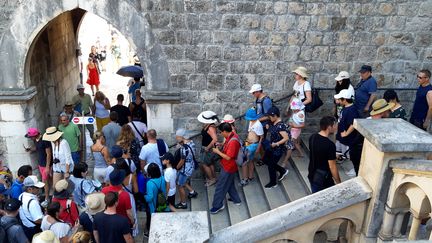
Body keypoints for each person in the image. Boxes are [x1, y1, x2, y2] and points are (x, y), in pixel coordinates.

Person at [210, 123, 241, 214]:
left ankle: (217, 205)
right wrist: (221, 145)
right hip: (229, 166)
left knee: (220, 187)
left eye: (220, 132)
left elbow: (228, 157)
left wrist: (217, 151)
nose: (220, 134)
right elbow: (227, 145)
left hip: (228, 167)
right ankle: (236, 200)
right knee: (230, 184)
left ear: (224, 131)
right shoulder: (232, 135)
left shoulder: (233, 142)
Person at [308, 116, 341, 193]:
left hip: (312, 173)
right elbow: (332, 166)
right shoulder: (330, 145)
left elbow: (317, 152)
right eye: (335, 125)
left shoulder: (312, 137)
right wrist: (339, 183)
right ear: (329, 127)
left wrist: (333, 155)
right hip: (323, 178)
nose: (336, 127)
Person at [334, 89, 362, 176]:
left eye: (340, 99)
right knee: (338, 150)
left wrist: (346, 133)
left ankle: (355, 169)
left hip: (347, 139)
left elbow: (353, 124)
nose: (338, 101)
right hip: (341, 136)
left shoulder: (352, 110)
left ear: (345, 100)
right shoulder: (345, 108)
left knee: (350, 155)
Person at [264, 107, 291, 189]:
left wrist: (276, 144)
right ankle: (282, 170)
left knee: (271, 166)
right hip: (271, 147)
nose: (269, 118)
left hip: (277, 150)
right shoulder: (274, 122)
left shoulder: (281, 126)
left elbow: (286, 138)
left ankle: (273, 183)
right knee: (265, 160)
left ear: (275, 116)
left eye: (270, 117)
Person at [24, 127, 52, 204]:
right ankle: (51, 194)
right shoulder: (36, 140)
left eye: (31, 137)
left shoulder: (45, 140)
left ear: (35, 135)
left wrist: (47, 167)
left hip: (45, 165)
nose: (30, 138)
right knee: (48, 180)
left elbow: (49, 154)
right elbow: (38, 148)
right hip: (41, 164)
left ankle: (47, 198)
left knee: (44, 182)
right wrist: (30, 149)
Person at [173, 129, 198, 209]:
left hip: (185, 170)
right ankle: (192, 192)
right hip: (191, 166)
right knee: (183, 181)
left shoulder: (184, 148)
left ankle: (183, 203)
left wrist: (176, 167)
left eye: (177, 137)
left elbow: (182, 160)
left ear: (181, 137)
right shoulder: (191, 142)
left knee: (180, 185)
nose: (176, 139)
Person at [240, 108, 263, 186]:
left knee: (244, 162)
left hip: (253, 145)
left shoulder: (258, 124)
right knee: (250, 160)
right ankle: (250, 176)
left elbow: (261, 137)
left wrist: (258, 148)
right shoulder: (251, 122)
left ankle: (245, 179)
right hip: (248, 143)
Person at [197, 111, 219, 186]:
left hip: (208, 149)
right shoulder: (208, 125)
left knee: (204, 164)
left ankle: (211, 179)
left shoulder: (210, 128)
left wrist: (207, 148)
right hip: (207, 148)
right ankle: (213, 178)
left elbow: (215, 139)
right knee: (210, 163)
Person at [145, 163, 168, 231]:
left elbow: (150, 198)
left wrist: (144, 197)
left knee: (151, 221)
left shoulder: (149, 183)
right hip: (162, 202)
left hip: (154, 207)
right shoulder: (162, 178)